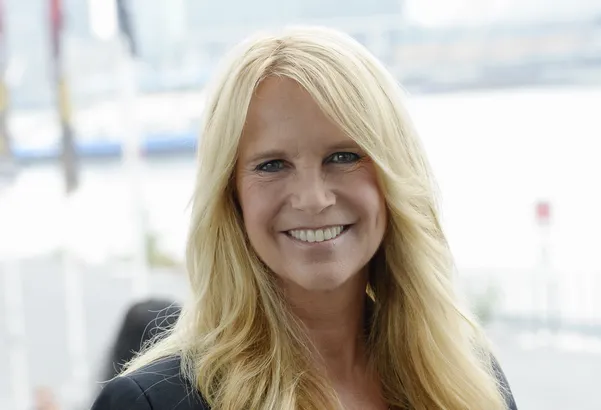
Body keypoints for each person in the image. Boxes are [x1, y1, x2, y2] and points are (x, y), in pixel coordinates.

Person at [91, 26, 518, 410]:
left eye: (343, 156)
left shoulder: (468, 380)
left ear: (394, 177)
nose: (313, 199)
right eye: (272, 165)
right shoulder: (152, 404)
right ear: (230, 195)